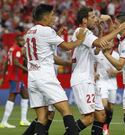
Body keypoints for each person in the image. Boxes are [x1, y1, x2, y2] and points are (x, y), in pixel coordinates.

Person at [24, 4, 85, 135]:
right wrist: (80, 40)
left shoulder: (29, 32)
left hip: (33, 77)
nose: (54, 17)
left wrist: (56, 35)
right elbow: (67, 46)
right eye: (52, 15)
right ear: (45, 17)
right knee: (66, 111)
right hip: (45, 77)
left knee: (42, 118)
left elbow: (37, 51)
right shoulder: (47, 31)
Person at [69, 7, 125, 135]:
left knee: (101, 116)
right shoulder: (82, 31)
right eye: (92, 17)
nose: (95, 19)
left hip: (89, 79)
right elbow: (99, 43)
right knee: (88, 118)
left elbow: (97, 50)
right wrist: (119, 29)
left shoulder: (87, 34)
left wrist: (101, 31)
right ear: (84, 20)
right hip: (82, 79)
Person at [0, 35, 30, 128]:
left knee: (25, 95)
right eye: (21, 40)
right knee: (12, 96)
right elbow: (16, 62)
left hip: (15, 77)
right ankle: (4, 122)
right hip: (16, 77)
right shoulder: (17, 49)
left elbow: (6, 63)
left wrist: (3, 76)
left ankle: (23, 120)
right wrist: (27, 69)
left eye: (23, 40)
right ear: (16, 40)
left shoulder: (11, 49)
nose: (23, 42)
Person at [94, 47, 120, 135]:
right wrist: (94, 73)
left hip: (112, 83)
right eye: (107, 41)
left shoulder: (116, 55)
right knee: (103, 107)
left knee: (110, 108)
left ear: (113, 44)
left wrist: (115, 72)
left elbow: (122, 69)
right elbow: (92, 64)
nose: (108, 43)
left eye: (110, 41)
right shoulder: (98, 53)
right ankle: (100, 128)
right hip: (101, 82)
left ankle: (106, 127)